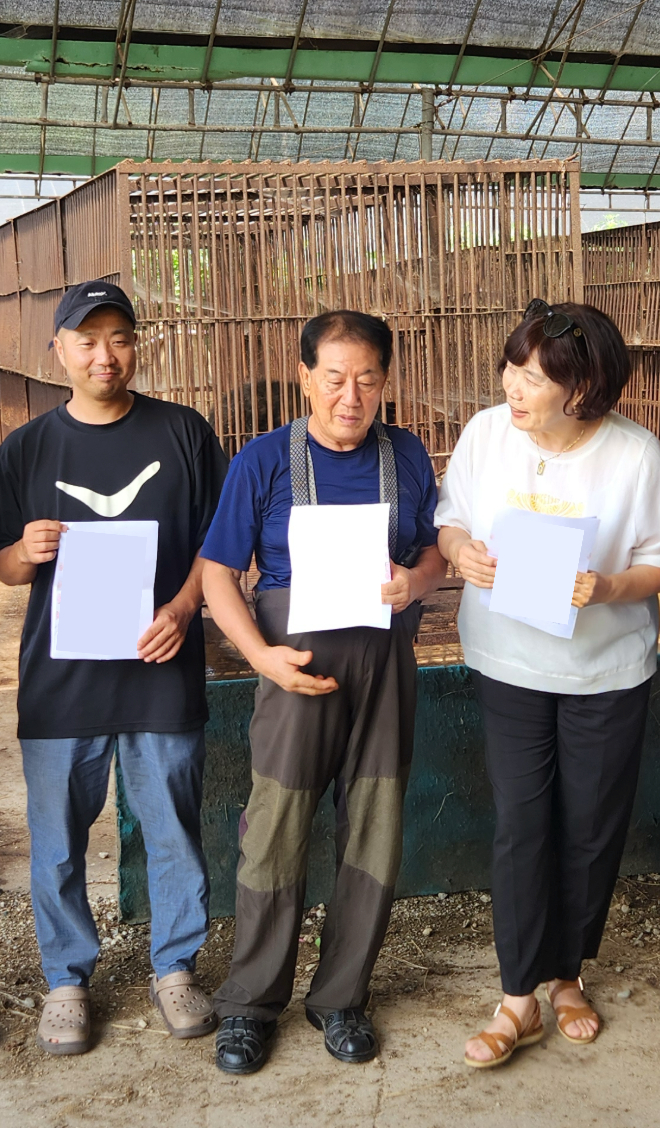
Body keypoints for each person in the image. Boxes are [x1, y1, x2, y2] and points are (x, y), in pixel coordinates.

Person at [0, 281, 228, 1054]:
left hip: (160, 672)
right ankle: (66, 980)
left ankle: (176, 967)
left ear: (135, 345)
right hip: (62, 681)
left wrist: (184, 610)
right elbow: (4, 568)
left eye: (118, 337)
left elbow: (219, 550)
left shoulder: (184, 433)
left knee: (173, 830)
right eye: (85, 340)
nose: (103, 354)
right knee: (56, 840)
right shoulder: (27, 447)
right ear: (58, 350)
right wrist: (28, 550)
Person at [435, 299, 660, 1070]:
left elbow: (659, 563)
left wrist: (606, 589)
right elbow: (451, 520)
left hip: (604, 669)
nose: (515, 386)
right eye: (513, 368)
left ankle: (568, 972)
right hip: (508, 658)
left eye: (535, 378)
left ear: (584, 388)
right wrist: (461, 552)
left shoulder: (635, 456)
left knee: (591, 825)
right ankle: (517, 998)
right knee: (521, 823)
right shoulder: (484, 434)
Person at [201, 310, 445, 1074]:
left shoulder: (406, 455)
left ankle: (342, 996)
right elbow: (217, 573)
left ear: (386, 381)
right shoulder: (265, 460)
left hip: (384, 669)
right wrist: (262, 660)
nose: (351, 396)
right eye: (334, 378)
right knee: (276, 829)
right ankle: (249, 1003)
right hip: (291, 670)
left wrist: (417, 581)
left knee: (373, 828)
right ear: (305, 375)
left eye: (368, 379)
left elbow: (435, 549)